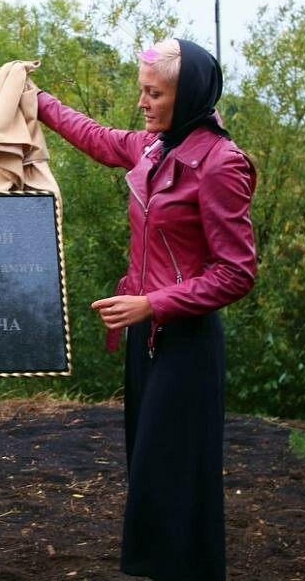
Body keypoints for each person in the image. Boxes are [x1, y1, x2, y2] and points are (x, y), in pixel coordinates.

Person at [36, 39, 257, 580]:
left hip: (187, 346)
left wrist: (151, 303)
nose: (142, 102)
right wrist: (35, 98)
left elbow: (237, 273)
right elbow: (97, 138)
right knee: (152, 476)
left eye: (154, 93)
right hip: (148, 341)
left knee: (170, 479)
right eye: (143, 90)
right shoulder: (154, 148)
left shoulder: (221, 164)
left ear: (187, 98)